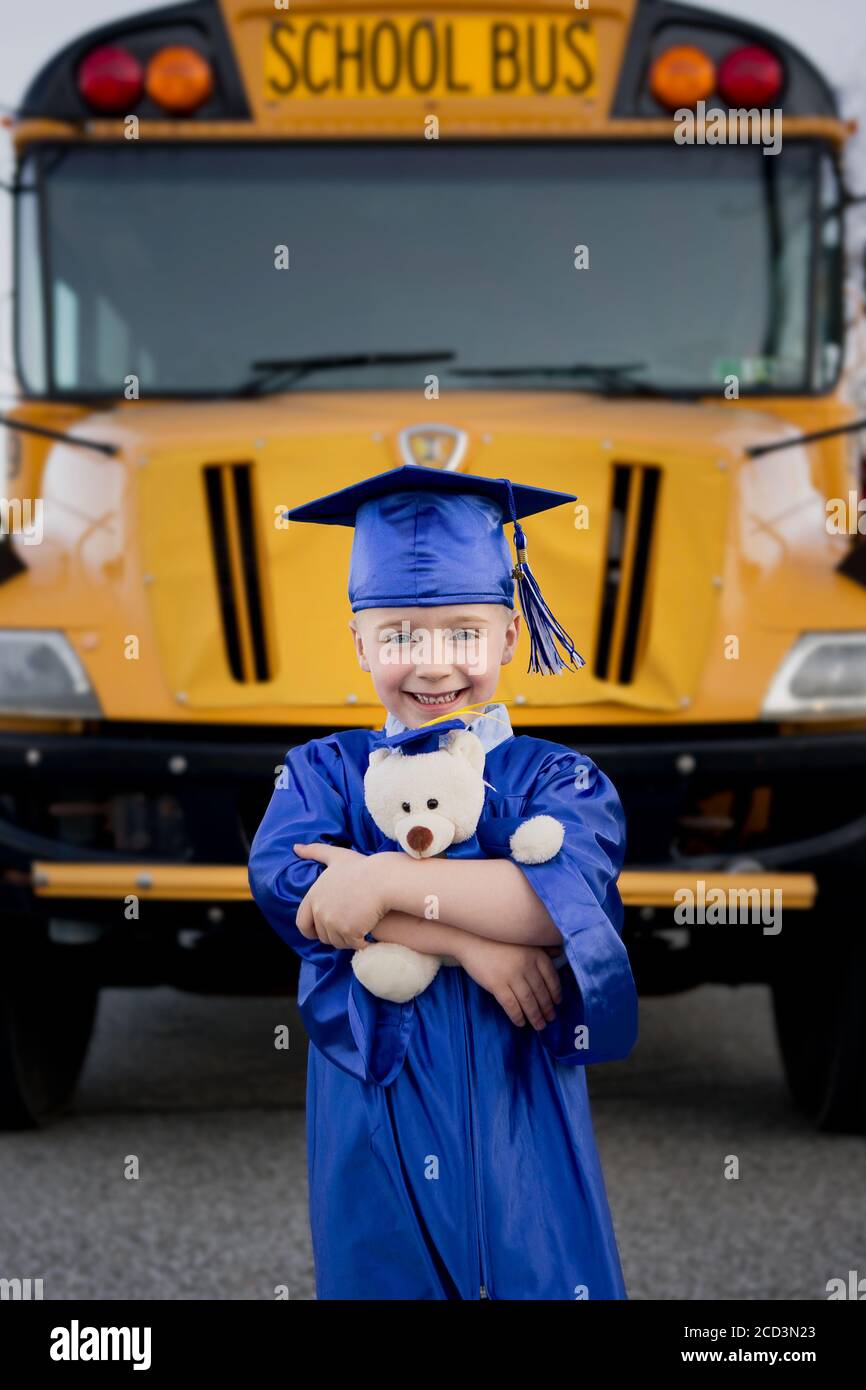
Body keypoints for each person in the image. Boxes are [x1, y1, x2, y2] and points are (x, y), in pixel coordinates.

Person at [248, 463, 638, 1300]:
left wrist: (382, 880)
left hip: (516, 1101)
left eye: (464, 632)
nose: (433, 665)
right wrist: (469, 943)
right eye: (398, 636)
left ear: (507, 636)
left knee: (535, 1272)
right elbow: (295, 890)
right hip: (374, 1108)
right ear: (359, 642)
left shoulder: (555, 780)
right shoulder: (324, 771)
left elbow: (552, 905)